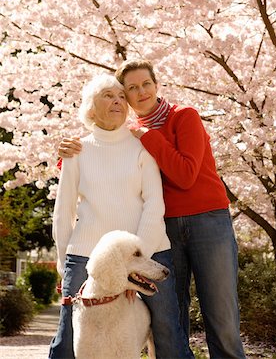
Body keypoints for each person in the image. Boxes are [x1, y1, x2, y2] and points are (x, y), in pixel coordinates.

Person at [59, 60, 246, 359]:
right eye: (132, 88)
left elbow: (185, 175)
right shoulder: (132, 134)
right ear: (127, 96)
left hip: (207, 221)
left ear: (156, 85)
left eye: (146, 83)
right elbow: (104, 158)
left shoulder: (183, 117)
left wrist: (148, 136)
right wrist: (69, 155)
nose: (141, 91)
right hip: (168, 227)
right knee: (173, 318)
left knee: (220, 314)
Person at [50, 73, 193, 359]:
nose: (117, 101)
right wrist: (63, 261)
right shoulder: (76, 150)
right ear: (91, 107)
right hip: (85, 254)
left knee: (167, 329)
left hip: (148, 250)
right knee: (68, 335)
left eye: (120, 96)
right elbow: (63, 210)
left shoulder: (143, 146)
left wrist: (134, 263)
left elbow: (155, 203)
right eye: (107, 95)